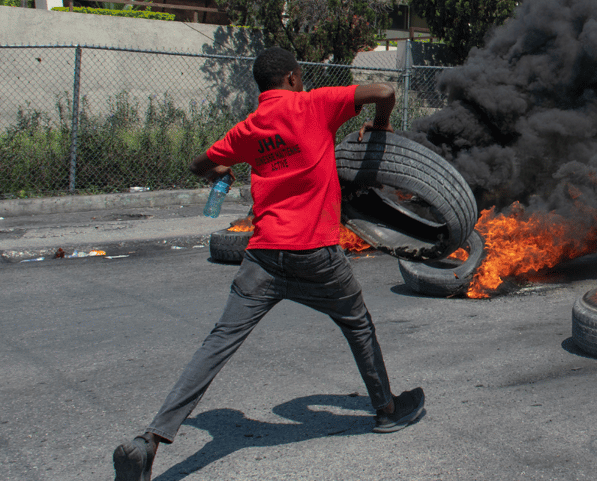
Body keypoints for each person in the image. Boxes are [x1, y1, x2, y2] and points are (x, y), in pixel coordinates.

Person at [113, 47, 424, 481]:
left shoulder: (250, 127)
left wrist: (220, 174)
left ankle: (150, 440)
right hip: (316, 254)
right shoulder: (314, 103)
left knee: (218, 343)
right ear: (295, 79)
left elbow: (198, 162)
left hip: (262, 256)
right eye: (301, 77)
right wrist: (384, 123)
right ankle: (387, 410)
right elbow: (384, 89)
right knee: (358, 325)